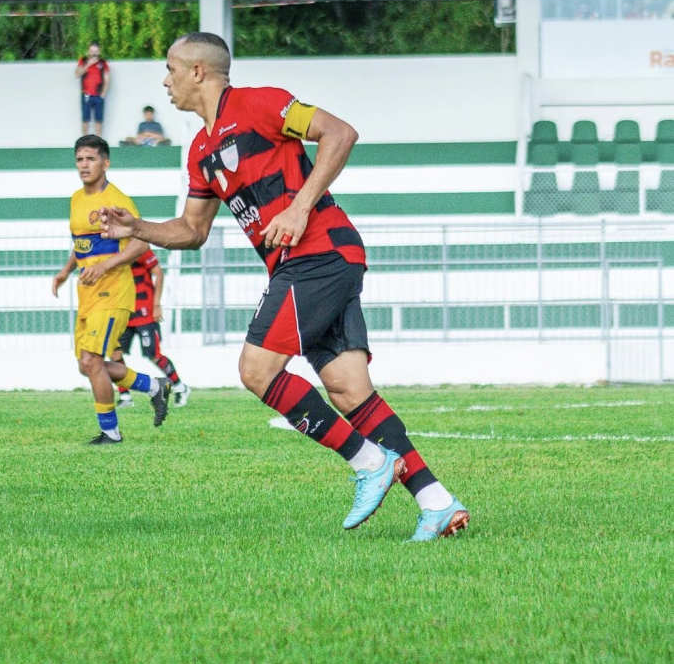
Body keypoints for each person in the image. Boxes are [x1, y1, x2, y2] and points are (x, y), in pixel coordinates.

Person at [100, 32, 469, 540]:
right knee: (348, 389)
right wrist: (135, 228)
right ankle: (437, 502)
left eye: (171, 69)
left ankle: (368, 462)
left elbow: (340, 133)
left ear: (199, 72)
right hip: (308, 265)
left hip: (320, 253)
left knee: (256, 370)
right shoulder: (200, 151)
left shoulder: (263, 104)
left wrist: (299, 208)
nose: (166, 81)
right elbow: (192, 230)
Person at [52, 135, 171, 444]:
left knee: (92, 362)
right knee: (86, 365)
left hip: (113, 292)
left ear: (106, 163)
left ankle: (111, 432)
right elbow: (82, 244)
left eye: (90, 159)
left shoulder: (116, 199)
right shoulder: (77, 199)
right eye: (79, 159)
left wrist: (105, 266)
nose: (84, 165)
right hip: (87, 294)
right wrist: (66, 272)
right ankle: (155, 386)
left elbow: (141, 241)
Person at [111, 248, 191, 409]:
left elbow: (158, 273)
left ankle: (180, 387)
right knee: (115, 354)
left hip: (144, 312)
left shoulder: (139, 247)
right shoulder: (111, 249)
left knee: (153, 355)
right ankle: (125, 396)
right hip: (123, 312)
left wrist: (156, 305)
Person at [75, 41, 111, 136]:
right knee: (85, 119)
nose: (93, 53)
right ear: (88, 51)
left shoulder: (103, 63)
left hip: (98, 95)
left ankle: (98, 141)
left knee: (98, 120)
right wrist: (88, 65)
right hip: (86, 94)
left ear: (99, 52)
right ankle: (85, 140)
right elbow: (77, 74)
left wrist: (103, 94)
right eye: (91, 51)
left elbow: (107, 80)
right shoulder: (83, 61)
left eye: (95, 51)